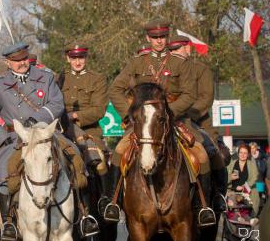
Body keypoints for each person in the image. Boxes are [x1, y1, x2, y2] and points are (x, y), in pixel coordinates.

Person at [105, 18, 216, 227]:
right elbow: (115, 89)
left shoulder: (179, 63)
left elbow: (190, 93)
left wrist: (166, 113)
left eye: (162, 37)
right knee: (119, 150)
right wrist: (131, 114)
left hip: (176, 120)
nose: (158, 41)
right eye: (154, 37)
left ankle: (205, 205)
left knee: (202, 152)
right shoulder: (137, 62)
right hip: (143, 123)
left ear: (167, 37)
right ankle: (113, 202)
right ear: (148, 38)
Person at [0, 41, 90, 241]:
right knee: (3, 174)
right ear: (7, 62)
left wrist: (39, 120)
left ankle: (84, 214)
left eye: (23, 58)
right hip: (16, 139)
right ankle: (9, 223)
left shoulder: (45, 78)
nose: (21, 63)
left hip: (46, 133)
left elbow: (57, 103)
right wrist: (2, 138)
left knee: (75, 157)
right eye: (16, 60)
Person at [168, 35, 227, 212]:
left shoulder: (200, 69)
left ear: (188, 49)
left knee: (212, 153)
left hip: (197, 121)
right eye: (171, 51)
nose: (174, 54)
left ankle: (215, 196)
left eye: (177, 49)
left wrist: (185, 112)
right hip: (170, 120)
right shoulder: (165, 70)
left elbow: (206, 98)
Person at [57, 43, 106, 235]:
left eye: (81, 57)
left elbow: (99, 109)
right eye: (74, 58)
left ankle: (102, 203)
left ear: (86, 58)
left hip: (88, 131)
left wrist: (73, 116)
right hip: (61, 130)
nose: (78, 61)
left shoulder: (97, 79)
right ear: (68, 58)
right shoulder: (58, 79)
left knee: (98, 162)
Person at [226, 144, 260, 220]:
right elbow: (224, 178)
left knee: (253, 195)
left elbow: (255, 178)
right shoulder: (231, 164)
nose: (243, 155)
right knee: (231, 203)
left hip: (247, 192)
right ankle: (237, 217)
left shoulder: (251, 165)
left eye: (245, 153)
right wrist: (230, 177)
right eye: (241, 152)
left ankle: (249, 217)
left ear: (248, 155)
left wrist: (243, 187)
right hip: (233, 191)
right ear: (238, 153)